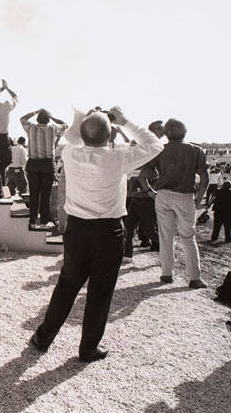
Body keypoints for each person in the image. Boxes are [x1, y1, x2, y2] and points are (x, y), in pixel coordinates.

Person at [30, 107, 162, 362]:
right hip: (107, 231)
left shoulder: (70, 152)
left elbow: (75, 135)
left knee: (66, 286)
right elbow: (155, 144)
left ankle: (43, 337)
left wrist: (89, 117)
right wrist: (123, 120)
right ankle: (88, 348)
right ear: (110, 133)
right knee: (100, 293)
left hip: (77, 230)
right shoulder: (119, 157)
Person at [144, 118, 209, 288]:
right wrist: (199, 198)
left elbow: (143, 175)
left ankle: (167, 274)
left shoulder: (160, 149)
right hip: (185, 195)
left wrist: (150, 191)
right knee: (188, 237)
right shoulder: (196, 150)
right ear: (185, 132)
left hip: (163, 195)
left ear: (165, 134)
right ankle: (194, 277)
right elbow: (205, 177)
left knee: (166, 237)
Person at [20, 108, 67, 230]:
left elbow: (22, 119)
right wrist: (52, 117)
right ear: (48, 119)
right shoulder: (52, 128)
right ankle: (45, 221)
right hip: (47, 164)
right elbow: (65, 125)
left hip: (33, 163)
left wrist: (35, 111)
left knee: (34, 194)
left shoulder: (31, 128)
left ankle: (33, 221)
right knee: (46, 195)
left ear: (37, 118)